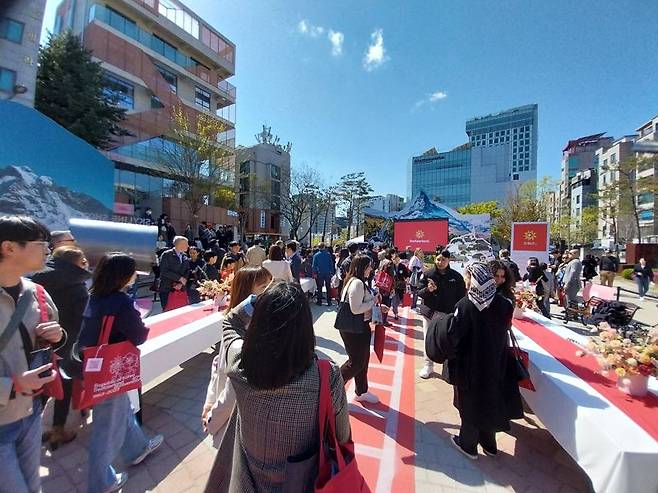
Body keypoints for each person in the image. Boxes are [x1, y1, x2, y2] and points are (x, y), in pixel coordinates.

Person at [213, 282, 350, 491]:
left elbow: (230, 323)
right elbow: (342, 435)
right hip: (305, 480)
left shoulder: (240, 363)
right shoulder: (325, 374)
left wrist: (255, 301)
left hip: (247, 479)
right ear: (306, 326)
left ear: (258, 322)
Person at [77, 253, 164, 492]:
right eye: (133, 270)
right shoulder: (122, 302)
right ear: (123, 275)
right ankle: (100, 481)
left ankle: (138, 448)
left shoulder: (94, 295)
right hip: (111, 369)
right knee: (106, 427)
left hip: (95, 366)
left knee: (122, 409)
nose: (136, 275)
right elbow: (139, 335)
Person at [0, 216, 64, 493]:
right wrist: (12, 385)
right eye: (41, 244)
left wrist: (58, 336)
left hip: (31, 410)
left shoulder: (37, 292)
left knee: (33, 483)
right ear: (9, 248)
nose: (47, 250)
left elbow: (55, 341)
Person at [446, 263, 517, 459]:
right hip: (496, 362)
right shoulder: (504, 304)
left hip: (470, 364)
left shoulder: (466, 305)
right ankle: (489, 444)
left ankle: (468, 445)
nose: (466, 281)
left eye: (468, 277)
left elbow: (455, 336)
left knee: (469, 403)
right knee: (490, 398)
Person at [201, 266, 272, 448]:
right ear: (246, 292)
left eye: (270, 285)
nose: (270, 291)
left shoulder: (260, 326)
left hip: (242, 415)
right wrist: (210, 402)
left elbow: (234, 383)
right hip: (228, 412)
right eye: (263, 287)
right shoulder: (242, 327)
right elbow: (219, 366)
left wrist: (213, 416)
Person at [31, 246, 91, 449]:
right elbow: (85, 319)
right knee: (65, 382)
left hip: (37, 343)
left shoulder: (36, 279)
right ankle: (58, 430)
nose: (86, 266)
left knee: (42, 387)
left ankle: (33, 430)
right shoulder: (75, 285)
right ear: (75, 263)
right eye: (83, 262)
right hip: (68, 342)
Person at [335, 254, 380, 403]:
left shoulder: (355, 281)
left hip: (358, 327)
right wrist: (373, 301)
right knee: (356, 362)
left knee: (362, 361)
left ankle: (361, 391)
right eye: (368, 266)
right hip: (355, 329)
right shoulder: (357, 283)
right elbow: (356, 309)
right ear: (362, 268)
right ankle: (332, 386)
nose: (371, 269)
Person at [417, 250, 466, 379]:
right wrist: (428, 289)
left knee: (448, 341)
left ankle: (447, 368)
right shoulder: (428, 274)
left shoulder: (456, 276)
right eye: (438, 259)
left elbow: (462, 295)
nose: (440, 262)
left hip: (448, 315)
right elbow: (419, 292)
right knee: (429, 339)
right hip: (430, 313)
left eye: (443, 260)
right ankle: (428, 365)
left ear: (449, 260)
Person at [158, 236, 190, 310]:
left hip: (181, 289)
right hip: (167, 289)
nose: (188, 246)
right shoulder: (167, 255)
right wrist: (179, 278)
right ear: (179, 244)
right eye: (186, 244)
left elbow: (187, 270)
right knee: (168, 311)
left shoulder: (184, 256)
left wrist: (181, 283)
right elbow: (164, 271)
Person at [562, 249, 582, 321]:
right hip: (571, 283)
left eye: (571, 253)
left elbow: (572, 273)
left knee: (570, 300)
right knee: (571, 299)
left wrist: (567, 283)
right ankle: (574, 314)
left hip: (572, 283)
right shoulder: (573, 262)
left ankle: (569, 315)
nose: (569, 255)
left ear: (576, 254)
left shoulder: (575, 262)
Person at [390, 252, 410, 320]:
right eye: (393, 259)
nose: (395, 260)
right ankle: (396, 313)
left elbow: (407, 275)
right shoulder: (390, 266)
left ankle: (395, 309)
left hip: (400, 286)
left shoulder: (402, 266)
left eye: (396, 258)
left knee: (398, 301)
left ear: (399, 259)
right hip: (392, 286)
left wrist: (407, 279)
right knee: (394, 301)